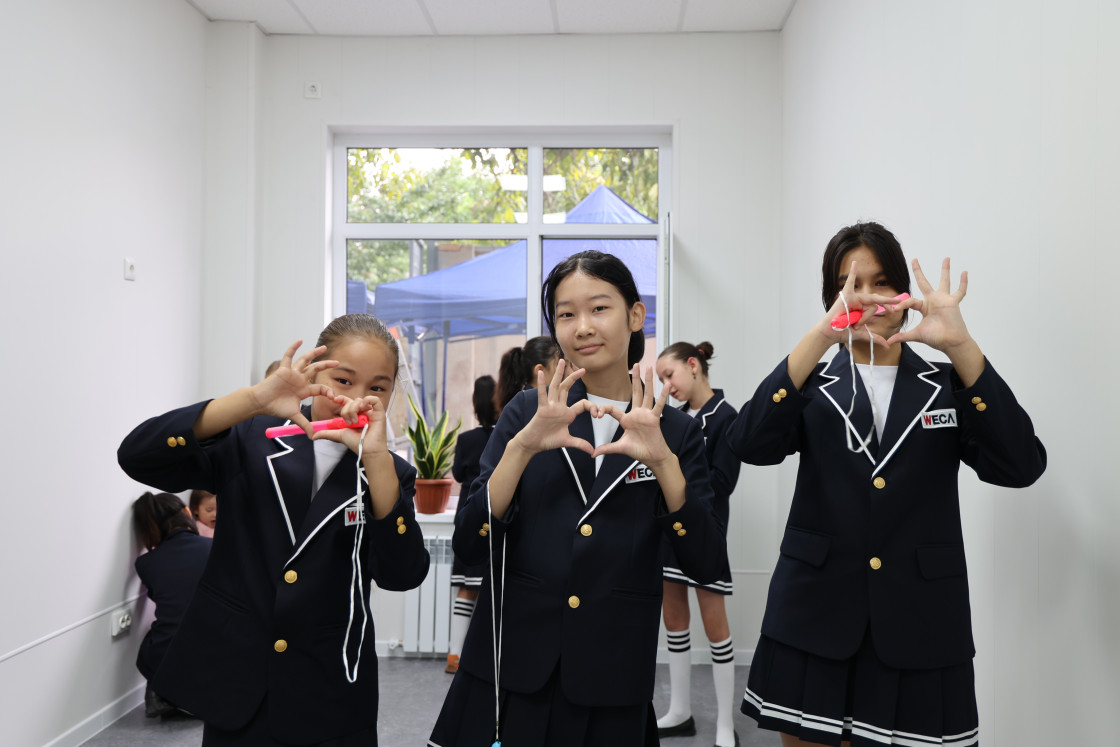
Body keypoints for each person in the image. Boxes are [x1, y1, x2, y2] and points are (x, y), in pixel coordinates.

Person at [729, 222, 1046, 747]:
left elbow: (1021, 466)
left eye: (882, 282)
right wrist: (820, 338)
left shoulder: (947, 384)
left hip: (919, 620)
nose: (869, 297)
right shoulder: (810, 383)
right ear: (833, 297)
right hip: (814, 614)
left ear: (903, 295)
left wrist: (962, 347)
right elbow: (747, 443)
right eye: (850, 284)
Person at [429, 250, 725, 747]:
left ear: (635, 315)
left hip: (612, 672)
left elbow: (706, 560)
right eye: (566, 314)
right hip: (510, 663)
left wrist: (664, 463)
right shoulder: (528, 410)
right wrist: (522, 447)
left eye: (599, 308)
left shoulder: (674, 430)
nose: (583, 327)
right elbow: (470, 543)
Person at [118, 313, 431, 747]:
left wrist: (376, 460)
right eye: (343, 380)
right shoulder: (252, 437)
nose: (356, 398)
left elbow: (402, 574)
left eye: (377, 387)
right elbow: (138, 455)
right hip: (239, 681)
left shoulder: (390, 472)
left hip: (332, 686)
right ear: (315, 372)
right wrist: (253, 399)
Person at [654, 341, 742, 747]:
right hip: (669, 530)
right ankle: (680, 712)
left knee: (715, 626)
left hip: (706, 532)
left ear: (693, 365)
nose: (667, 386)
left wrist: (676, 478)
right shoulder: (671, 418)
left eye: (669, 375)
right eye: (661, 379)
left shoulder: (726, 416)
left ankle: (725, 722)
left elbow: (723, 482)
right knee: (674, 621)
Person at [132, 491, 212, 718]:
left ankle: (162, 693)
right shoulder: (216, 547)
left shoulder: (145, 563)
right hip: (217, 654)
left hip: (166, 656)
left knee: (156, 639)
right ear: (187, 512)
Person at [445, 374, 499, 674]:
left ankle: (454, 656)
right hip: (495, 513)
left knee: (467, 587)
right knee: (494, 589)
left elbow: (456, 474)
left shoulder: (466, 439)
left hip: (468, 514)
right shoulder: (507, 436)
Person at [495, 335, 561, 410]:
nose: (566, 372)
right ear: (540, 370)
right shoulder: (527, 407)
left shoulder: (522, 402)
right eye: (558, 365)